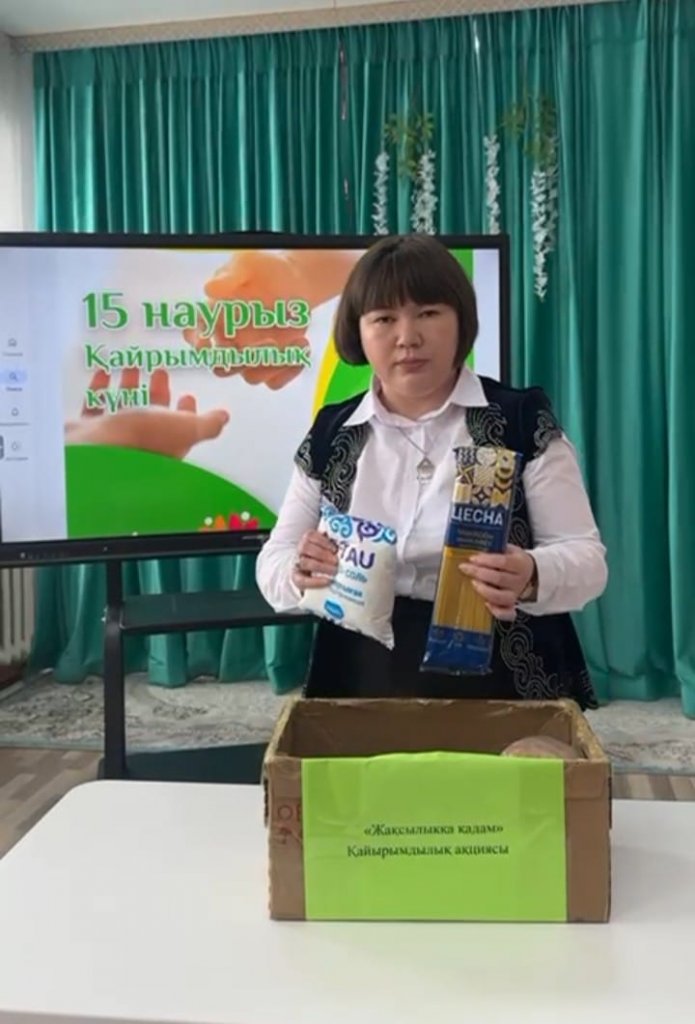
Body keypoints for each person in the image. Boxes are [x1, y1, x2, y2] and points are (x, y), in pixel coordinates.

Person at [255, 234, 608, 707]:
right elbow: (274, 560)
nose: (407, 337)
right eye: (384, 318)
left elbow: (587, 560)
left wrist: (531, 574)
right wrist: (301, 571)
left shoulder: (521, 420)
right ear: (358, 331)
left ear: (461, 320)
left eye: (427, 313)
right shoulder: (332, 432)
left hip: (506, 676)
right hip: (361, 675)